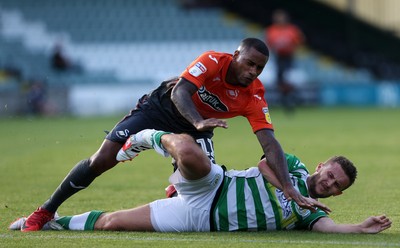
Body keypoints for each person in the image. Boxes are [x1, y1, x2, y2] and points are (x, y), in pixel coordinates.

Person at [19, 38, 327, 232]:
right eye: (249, 63)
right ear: (235, 55)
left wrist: (288, 187)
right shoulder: (212, 61)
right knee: (102, 159)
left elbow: (269, 142)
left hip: (197, 126)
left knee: (200, 180)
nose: (253, 72)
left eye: (259, 68)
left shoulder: (254, 95)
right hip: (160, 110)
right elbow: (181, 91)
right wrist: (197, 123)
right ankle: (45, 211)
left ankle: (174, 187)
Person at [10, 129, 391, 233]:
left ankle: (52, 223)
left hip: (200, 220)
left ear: (338, 192)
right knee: (190, 153)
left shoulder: (311, 215)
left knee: (113, 222)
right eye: (329, 174)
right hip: (216, 187)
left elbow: (327, 227)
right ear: (322, 164)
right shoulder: (290, 166)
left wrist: (358, 228)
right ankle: (145, 138)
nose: (327, 183)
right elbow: (262, 167)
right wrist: (293, 193)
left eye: (335, 185)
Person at [265, 9, 305, 113]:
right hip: (279, 58)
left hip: (289, 57)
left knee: (287, 79)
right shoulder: (271, 30)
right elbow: (269, 44)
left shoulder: (292, 30)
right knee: (280, 81)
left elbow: (299, 41)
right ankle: (289, 100)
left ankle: (291, 99)